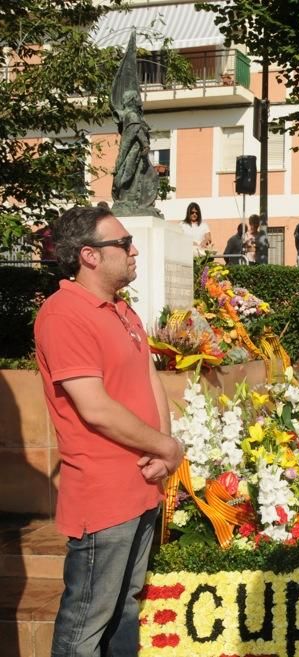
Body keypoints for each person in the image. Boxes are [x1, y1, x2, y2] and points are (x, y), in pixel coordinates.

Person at [34, 205, 184, 657]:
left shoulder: (122, 310)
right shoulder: (64, 314)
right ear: (89, 256)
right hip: (103, 499)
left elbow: (148, 378)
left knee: (123, 614)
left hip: (141, 485)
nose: (133, 250)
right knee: (85, 626)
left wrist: (164, 451)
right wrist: (167, 447)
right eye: (123, 243)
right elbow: (95, 408)